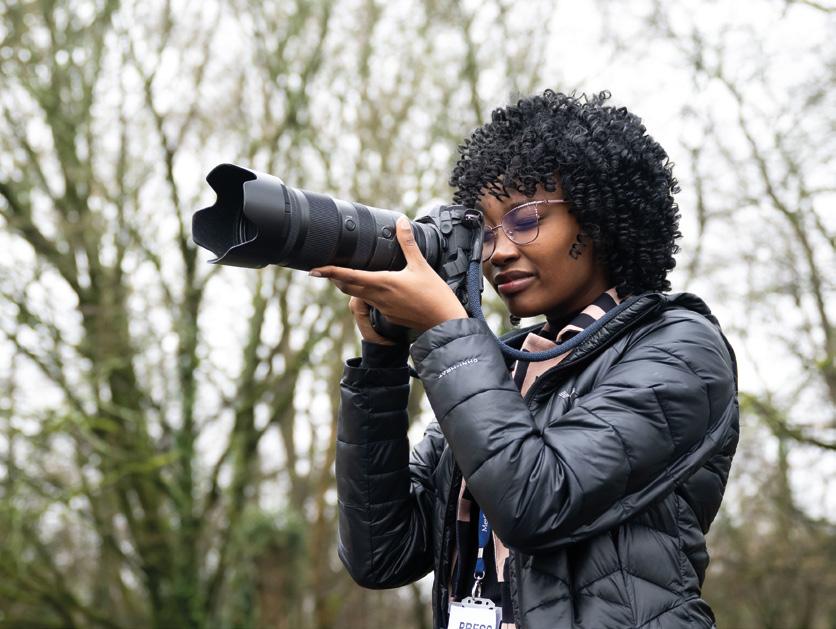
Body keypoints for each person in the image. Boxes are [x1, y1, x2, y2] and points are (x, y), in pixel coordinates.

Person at [309, 90, 739, 629]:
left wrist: (446, 330)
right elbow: (383, 554)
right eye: (486, 232)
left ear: (599, 217)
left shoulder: (680, 347)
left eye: (525, 219)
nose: (499, 251)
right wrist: (382, 364)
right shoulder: (499, 367)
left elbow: (538, 501)